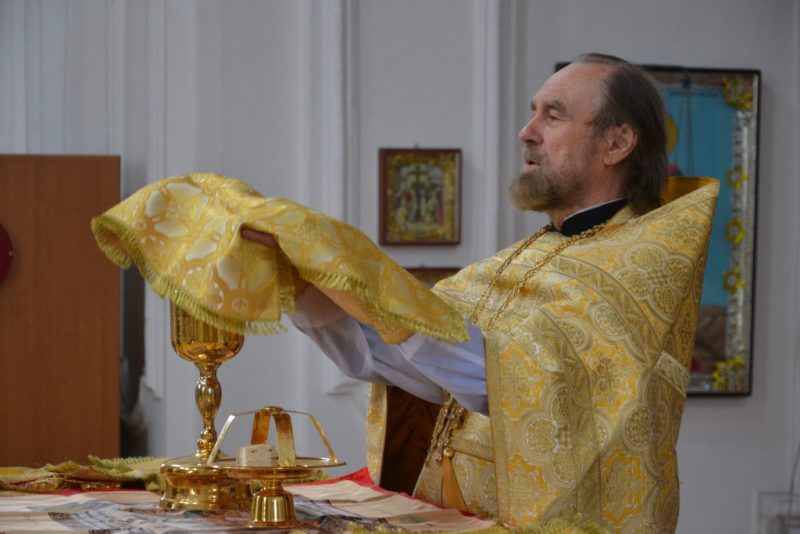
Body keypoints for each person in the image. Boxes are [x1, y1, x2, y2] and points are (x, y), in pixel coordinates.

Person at [242, 53, 718, 532]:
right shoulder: (523, 256)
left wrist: (361, 271)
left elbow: (518, 382)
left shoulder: (637, 269)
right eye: (533, 113)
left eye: (553, 116)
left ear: (617, 142)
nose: (527, 132)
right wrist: (303, 282)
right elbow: (410, 363)